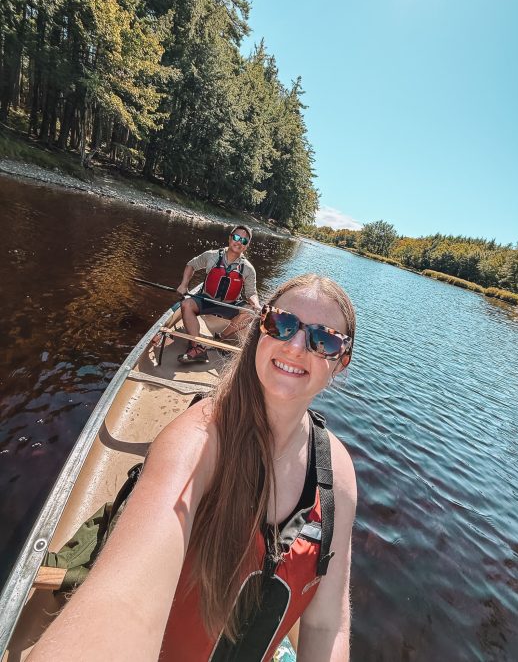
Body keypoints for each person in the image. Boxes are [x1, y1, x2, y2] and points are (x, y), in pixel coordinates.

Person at [28, 274, 357, 662]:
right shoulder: (197, 440)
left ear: (341, 362)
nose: (297, 346)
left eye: (324, 340)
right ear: (260, 331)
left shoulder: (337, 473)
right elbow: (126, 603)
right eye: (281, 324)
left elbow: (326, 624)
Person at [175, 224, 259, 363]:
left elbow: (251, 293)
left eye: (244, 240)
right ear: (230, 238)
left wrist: (256, 304)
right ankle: (196, 348)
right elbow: (191, 264)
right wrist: (184, 284)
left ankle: (221, 337)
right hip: (206, 299)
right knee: (186, 304)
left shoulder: (248, 269)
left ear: (246, 246)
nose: (239, 242)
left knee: (250, 312)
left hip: (229, 305)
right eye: (236, 237)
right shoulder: (212, 256)